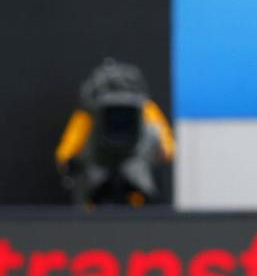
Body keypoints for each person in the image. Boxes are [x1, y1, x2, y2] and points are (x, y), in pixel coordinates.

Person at [56, 59, 175, 207]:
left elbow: (64, 156)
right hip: (115, 194)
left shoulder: (88, 113)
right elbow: (167, 150)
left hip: (115, 194)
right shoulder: (146, 108)